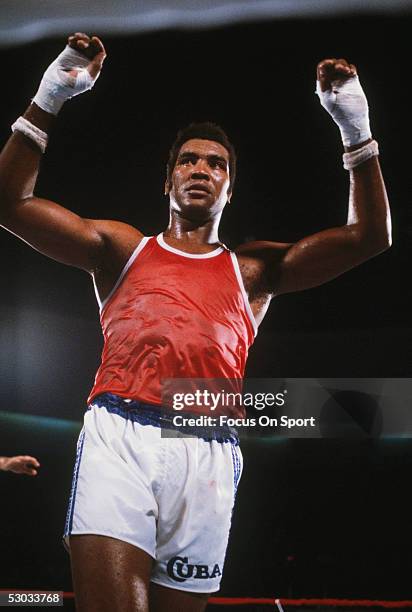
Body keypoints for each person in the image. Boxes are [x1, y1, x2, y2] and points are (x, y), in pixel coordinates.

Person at [0, 33, 391, 612]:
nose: (200, 169)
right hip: (119, 434)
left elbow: (369, 238)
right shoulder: (120, 249)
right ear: (168, 180)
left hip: (206, 446)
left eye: (216, 163)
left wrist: (355, 129)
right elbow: (9, 204)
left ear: (229, 188)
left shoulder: (253, 270)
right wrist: (51, 93)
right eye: (188, 159)